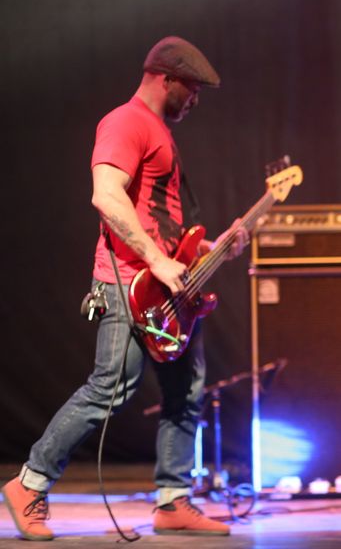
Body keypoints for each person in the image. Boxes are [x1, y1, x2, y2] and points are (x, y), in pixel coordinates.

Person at [1, 37, 247, 540]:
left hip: (168, 289)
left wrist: (213, 248)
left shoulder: (160, 133)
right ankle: (28, 484)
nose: (195, 99)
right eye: (192, 88)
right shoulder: (126, 122)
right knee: (109, 390)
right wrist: (156, 260)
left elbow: (162, 222)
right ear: (166, 78)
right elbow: (106, 195)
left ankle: (172, 500)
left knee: (185, 393)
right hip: (128, 283)